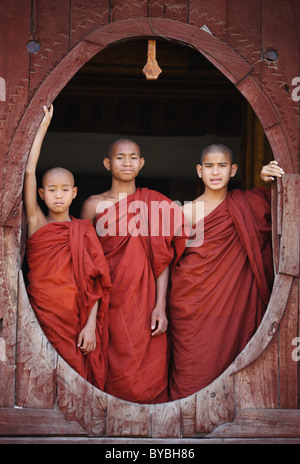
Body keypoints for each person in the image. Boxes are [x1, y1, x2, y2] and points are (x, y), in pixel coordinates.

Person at [168, 143, 284, 401]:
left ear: (233, 170)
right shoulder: (185, 212)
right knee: (192, 370)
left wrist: (272, 183)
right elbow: (168, 262)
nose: (215, 172)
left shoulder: (248, 204)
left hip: (233, 304)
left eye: (222, 166)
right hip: (191, 305)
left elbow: (284, 207)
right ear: (199, 171)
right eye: (209, 166)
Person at [81, 138, 187, 403]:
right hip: (106, 299)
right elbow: (83, 262)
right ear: (107, 163)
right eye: (119, 157)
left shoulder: (154, 205)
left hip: (145, 302)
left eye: (132, 157)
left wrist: (160, 306)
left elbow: (162, 259)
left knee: (147, 367)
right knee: (109, 362)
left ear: (141, 163)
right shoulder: (93, 205)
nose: (126, 162)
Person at [24, 105, 111, 390]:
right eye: (51, 190)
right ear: (42, 194)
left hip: (76, 320)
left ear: (74, 193)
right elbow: (28, 171)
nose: (58, 195)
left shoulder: (82, 230)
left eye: (64, 190)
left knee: (75, 384)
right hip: (42, 314)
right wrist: (41, 129)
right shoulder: (38, 223)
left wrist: (90, 324)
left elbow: (97, 280)